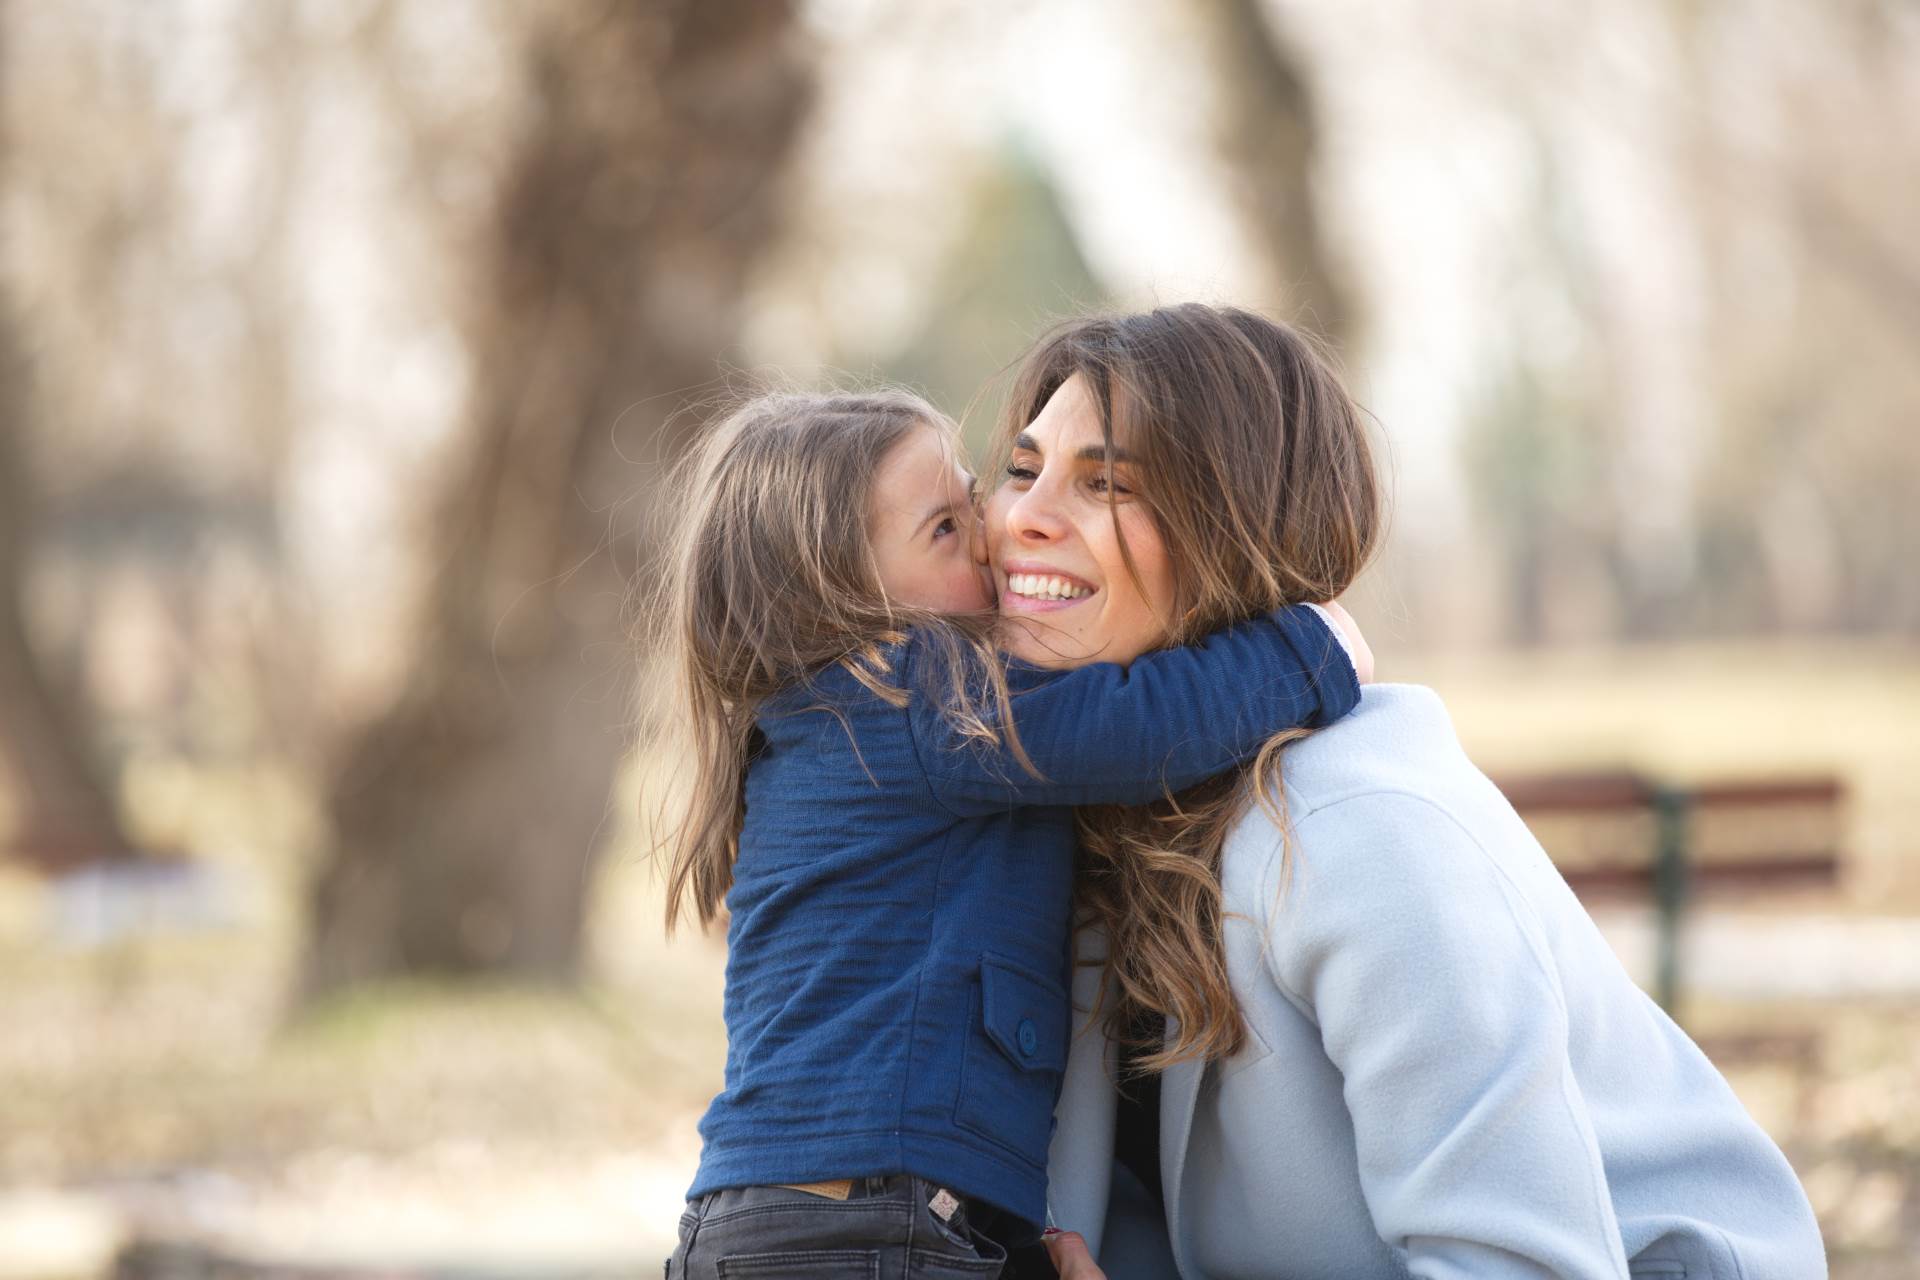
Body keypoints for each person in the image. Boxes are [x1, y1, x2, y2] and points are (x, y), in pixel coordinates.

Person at [969, 304, 1827, 1279]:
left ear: (1237, 531)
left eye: (1108, 481)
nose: (1023, 517)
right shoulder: (1083, 823)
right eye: (1024, 468)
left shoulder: (1363, 839)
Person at [647, 388, 1368, 1278]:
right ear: (843, 596)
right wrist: (1308, 647)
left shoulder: (836, 724)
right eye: (946, 529)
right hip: (864, 1226)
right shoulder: (911, 694)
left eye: (971, 496)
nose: (993, 532)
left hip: (808, 1218)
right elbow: (1132, 728)